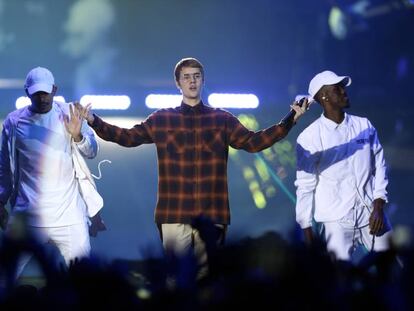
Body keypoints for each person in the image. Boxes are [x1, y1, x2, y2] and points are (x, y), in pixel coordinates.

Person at [80, 57, 309, 278]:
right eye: (186, 77)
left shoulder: (222, 119)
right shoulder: (162, 119)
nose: (192, 81)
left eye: (196, 76)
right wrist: (93, 120)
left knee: (208, 278)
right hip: (173, 212)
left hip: (212, 213)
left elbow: (254, 142)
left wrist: (290, 119)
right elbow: (127, 137)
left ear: (203, 81)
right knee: (176, 277)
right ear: (178, 83)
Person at [0, 67, 105, 278]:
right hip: (27, 216)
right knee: (4, 278)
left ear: (54, 90)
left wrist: (78, 136)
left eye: (46, 92)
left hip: (69, 216)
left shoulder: (70, 113)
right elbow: (4, 167)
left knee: (83, 281)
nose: (42, 97)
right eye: (37, 93)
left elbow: (92, 151)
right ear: (27, 92)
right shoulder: (13, 121)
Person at [295, 70, 391, 261]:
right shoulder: (309, 137)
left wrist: (379, 205)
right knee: (337, 278)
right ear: (324, 97)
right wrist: (306, 230)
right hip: (335, 220)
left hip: (371, 214)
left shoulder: (364, 126)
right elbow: (305, 186)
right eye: (336, 89)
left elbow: (380, 166)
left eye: (343, 87)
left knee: (394, 266)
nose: (344, 91)